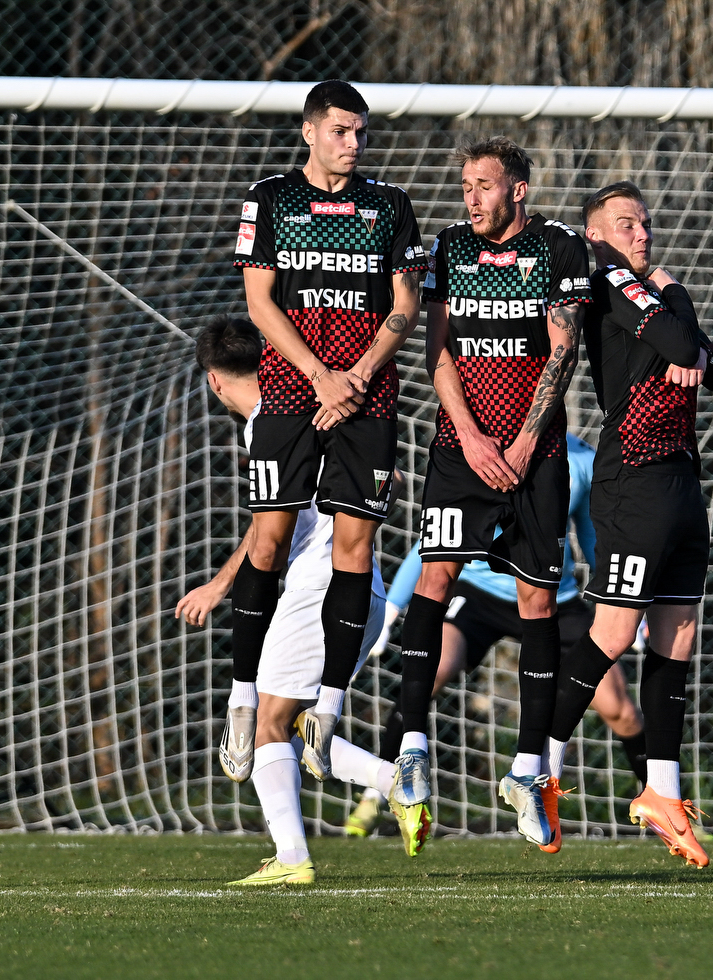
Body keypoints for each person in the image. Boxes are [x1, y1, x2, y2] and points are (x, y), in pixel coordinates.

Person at [524, 181, 713, 865]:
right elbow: (681, 341)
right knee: (613, 633)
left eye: (644, 224)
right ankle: (539, 769)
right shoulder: (610, 282)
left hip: (681, 479)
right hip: (633, 479)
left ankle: (662, 793)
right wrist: (677, 306)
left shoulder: (649, 292)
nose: (641, 235)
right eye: (625, 225)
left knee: (678, 635)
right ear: (596, 236)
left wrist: (686, 340)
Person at [229, 78, 426, 783]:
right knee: (270, 540)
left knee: (356, 547)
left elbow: (405, 302)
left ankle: (330, 705)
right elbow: (260, 302)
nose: (354, 143)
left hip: (366, 398)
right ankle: (242, 697)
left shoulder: (389, 204)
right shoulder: (270, 198)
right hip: (291, 392)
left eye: (361, 132)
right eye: (341, 130)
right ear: (310, 131)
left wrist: (358, 375)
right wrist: (319, 375)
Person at [396, 137, 592, 847]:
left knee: (538, 600)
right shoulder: (449, 247)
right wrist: (474, 438)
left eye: (484, 185)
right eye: (465, 185)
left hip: (536, 456)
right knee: (436, 577)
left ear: (519, 189)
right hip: (461, 450)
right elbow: (438, 350)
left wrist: (522, 444)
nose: (471, 197)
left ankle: (527, 772)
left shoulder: (560, 249)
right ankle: (412, 748)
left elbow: (563, 350)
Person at [178, 317, 404, 886]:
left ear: (213, 381)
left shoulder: (271, 424)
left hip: (320, 591)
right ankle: (394, 782)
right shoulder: (316, 407)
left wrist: (219, 585)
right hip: (356, 587)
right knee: (295, 718)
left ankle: (293, 858)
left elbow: (269, 534)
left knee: (266, 723)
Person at [343, 434, 649, 852]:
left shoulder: (581, 460)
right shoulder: (483, 444)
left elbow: (594, 537)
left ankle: (660, 796)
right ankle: (379, 791)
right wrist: (394, 606)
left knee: (619, 708)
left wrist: (623, 605)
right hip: (479, 593)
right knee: (432, 670)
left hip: (551, 598)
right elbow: (435, 540)